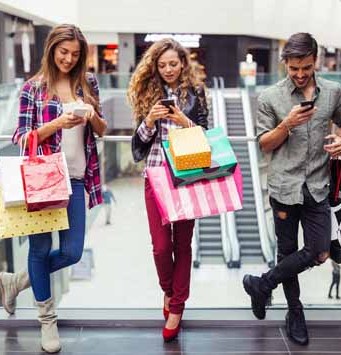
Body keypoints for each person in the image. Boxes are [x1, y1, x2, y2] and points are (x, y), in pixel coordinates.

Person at [0, 24, 107, 353]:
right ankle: (47, 320)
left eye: (75, 54)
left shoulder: (88, 83)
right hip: (43, 178)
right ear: (51, 49)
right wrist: (58, 123)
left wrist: (91, 116)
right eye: (63, 52)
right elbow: (21, 136)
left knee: (72, 251)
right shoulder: (33, 88)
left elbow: (102, 129)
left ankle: (16, 282)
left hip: (75, 178)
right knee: (40, 251)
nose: (69, 59)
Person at [242, 32, 341, 346]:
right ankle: (295, 312)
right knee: (287, 251)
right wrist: (286, 124)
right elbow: (265, 145)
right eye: (294, 68)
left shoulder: (333, 93)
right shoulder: (270, 98)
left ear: (315, 60)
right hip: (283, 186)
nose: (301, 74)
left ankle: (261, 285)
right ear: (285, 64)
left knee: (319, 251)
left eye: (306, 67)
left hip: (318, 186)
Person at [128, 38, 208, 342]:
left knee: (183, 244)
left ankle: (177, 306)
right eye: (162, 65)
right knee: (161, 246)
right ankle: (168, 290)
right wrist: (149, 119)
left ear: (183, 63)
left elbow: (205, 132)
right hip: (156, 174)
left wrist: (182, 119)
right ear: (155, 67)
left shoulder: (196, 92)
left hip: (186, 176)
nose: (168, 70)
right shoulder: (147, 92)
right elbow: (138, 143)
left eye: (173, 64)